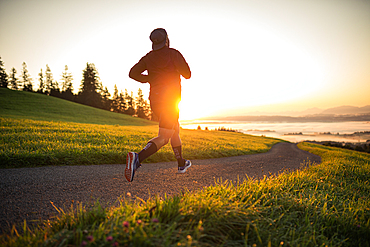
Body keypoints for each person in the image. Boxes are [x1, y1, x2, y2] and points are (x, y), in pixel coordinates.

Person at [125, 28, 192, 182]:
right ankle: (137, 158)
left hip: (155, 101)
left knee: (174, 130)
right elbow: (188, 74)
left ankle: (182, 163)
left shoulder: (148, 57)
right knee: (164, 136)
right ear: (166, 39)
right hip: (170, 100)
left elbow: (132, 73)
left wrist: (149, 78)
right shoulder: (173, 53)